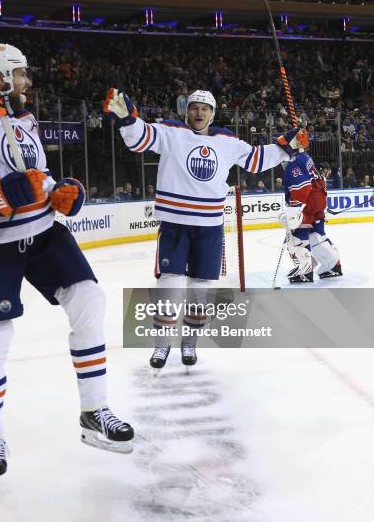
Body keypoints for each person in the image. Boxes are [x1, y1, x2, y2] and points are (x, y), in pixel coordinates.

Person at [0, 44, 134, 480]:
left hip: (43, 232)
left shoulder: (23, 119)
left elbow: (37, 177)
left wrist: (64, 191)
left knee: (89, 300)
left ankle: (94, 410)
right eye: (21, 75)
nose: (28, 83)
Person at [103, 88, 306, 369]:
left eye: (205, 109)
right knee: (169, 286)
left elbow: (256, 159)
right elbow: (140, 138)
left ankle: (189, 344)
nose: (199, 113)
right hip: (175, 225)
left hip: (209, 228)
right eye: (194, 108)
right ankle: (162, 347)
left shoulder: (227, 140)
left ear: (212, 113)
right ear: (187, 111)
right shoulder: (170, 132)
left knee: (200, 292)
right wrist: (127, 119)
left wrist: (288, 146)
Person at [279, 159, 342, 283]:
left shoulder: (294, 170)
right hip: (317, 210)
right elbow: (318, 194)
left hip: (306, 209)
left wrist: (292, 211)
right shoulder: (315, 172)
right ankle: (332, 265)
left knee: (297, 240)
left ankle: (305, 272)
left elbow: (300, 191)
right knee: (318, 238)